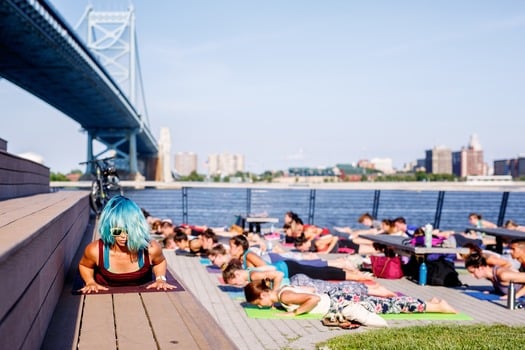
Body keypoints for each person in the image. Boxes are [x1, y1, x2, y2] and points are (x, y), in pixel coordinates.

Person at [243, 279, 456, 327]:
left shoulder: (284, 297)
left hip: (337, 302)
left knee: (385, 306)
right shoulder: (282, 290)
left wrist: (295, 313)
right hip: (336, 298)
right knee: (380, 302)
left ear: (262, 296)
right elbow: (309, 290)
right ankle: (429, 302)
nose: (259, 307)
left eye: (257, 304)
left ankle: (437, 307)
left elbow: (313, 298)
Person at [78, 195, 176, 293]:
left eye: (129, 230)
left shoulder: (151, 248)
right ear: (108, 228)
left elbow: (160, 262)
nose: (123, 236)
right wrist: (90, 282)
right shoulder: (95, 250)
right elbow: (85, 266)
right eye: (117, 231)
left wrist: (160, 279)